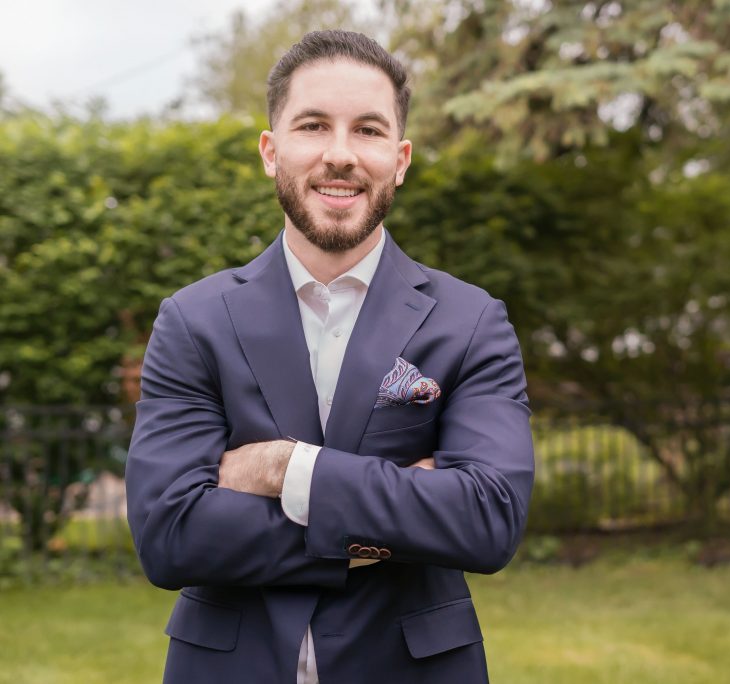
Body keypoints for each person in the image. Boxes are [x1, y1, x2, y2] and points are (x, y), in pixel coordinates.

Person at [125, 29, 534, 684]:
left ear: (400, 158)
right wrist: (384, 525)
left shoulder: (471, 320)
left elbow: (486, 518)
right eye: (313, 125)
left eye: (368, 131)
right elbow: (169, 534)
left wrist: (290, 470)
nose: (340, 155)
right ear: (271, 150)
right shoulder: (194, 320)